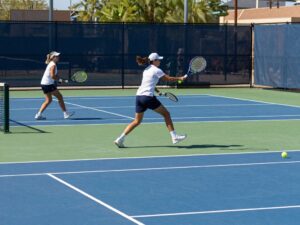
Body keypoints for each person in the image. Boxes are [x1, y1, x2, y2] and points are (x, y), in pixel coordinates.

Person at [114, 52, 187, 148]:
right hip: (148, 97)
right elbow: (168, 79)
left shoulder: (146, 70)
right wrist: (180, 78)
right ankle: (174, 137)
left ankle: (120, 139)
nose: (160, 61)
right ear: (154, 61)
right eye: (158, 60)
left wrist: (158, 91)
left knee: (137, 121)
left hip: (139, 97)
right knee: (166, 114)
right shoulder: (157, 70)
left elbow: (149, 84)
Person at [35, 51, 74, 120]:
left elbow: (54, 75)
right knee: (60, 97)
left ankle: (38, 115)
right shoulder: (53, 65)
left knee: (48, 100)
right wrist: (61, 81)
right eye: (56, 56)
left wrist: (61, 80)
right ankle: (65, 114)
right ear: (53, 57)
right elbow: (52, 76)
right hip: (48, 84)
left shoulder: (51, 63)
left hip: (44, 84)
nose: (58, 57)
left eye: (58, 56)